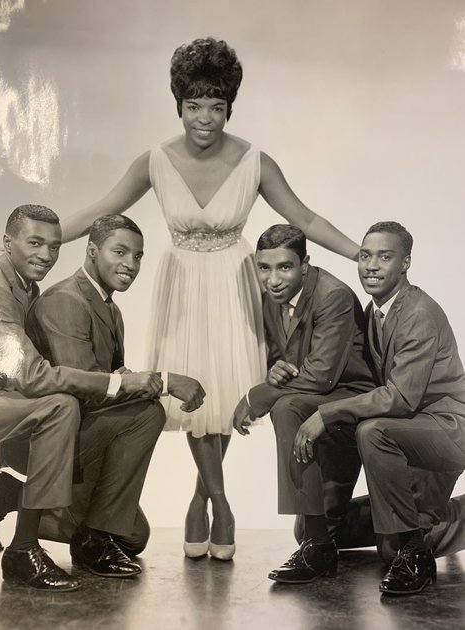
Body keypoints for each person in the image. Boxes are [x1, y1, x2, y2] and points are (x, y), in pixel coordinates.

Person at [61, 37, 360, 559]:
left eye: (217, 107)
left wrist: (360, 253)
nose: (205, 118)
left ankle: (202, 499)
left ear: (229, 107)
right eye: (194, 106)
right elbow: (100, 209)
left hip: (234, 282)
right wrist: (40, 238)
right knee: (193, 395)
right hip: (182, 287)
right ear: (177, 105)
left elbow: (305, 218)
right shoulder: (153, 160)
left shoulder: (255, 160)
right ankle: (221, 502)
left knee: (224, 398)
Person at [0, 205, 156, 591]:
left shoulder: (24, 285)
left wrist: (120, 378)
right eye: (35, 243)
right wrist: (127, 383)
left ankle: (9, 495)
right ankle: (23, 549)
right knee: (59, 406)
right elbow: (35, 377)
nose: (46, 256)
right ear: (7, 243)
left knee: (135, 536)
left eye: (53, 246)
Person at [15, 214, 204, 578]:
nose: (130, 264)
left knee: (135, 538)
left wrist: (126, 379)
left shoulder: (110, 308)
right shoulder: (66, 301)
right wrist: (163, 381)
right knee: (148, 413)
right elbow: (85, 389)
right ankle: (85, 534)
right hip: (51, 441)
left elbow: (112, 379)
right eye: (120, 252)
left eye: (138, 256)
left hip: (86, 436)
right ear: (91, 251)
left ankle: (32, 507)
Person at [295, 221, 465, 596]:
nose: (371, 265)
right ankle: (407, 530)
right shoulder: (374, 312)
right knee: (314, 530)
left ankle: (418, 549)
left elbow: (399, 398)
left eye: (384, 257)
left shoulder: (419, 312)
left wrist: (328, 413)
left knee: (371, 430)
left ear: (405, 263)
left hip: (447, 431)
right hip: (406, 435)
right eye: (365, 255)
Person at [232, 224, 374, 582]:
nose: (273, 279)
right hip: (313, 396)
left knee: (285, 407)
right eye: (264, 268)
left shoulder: (333, 296)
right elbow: (284, 358)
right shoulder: (270, 298)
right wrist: (274, 368)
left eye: (285, 267)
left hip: (352, 398)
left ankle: (318, 548)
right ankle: (317, 539)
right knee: (317, 525)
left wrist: (257, 395)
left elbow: (322, 376)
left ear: (305, 264)